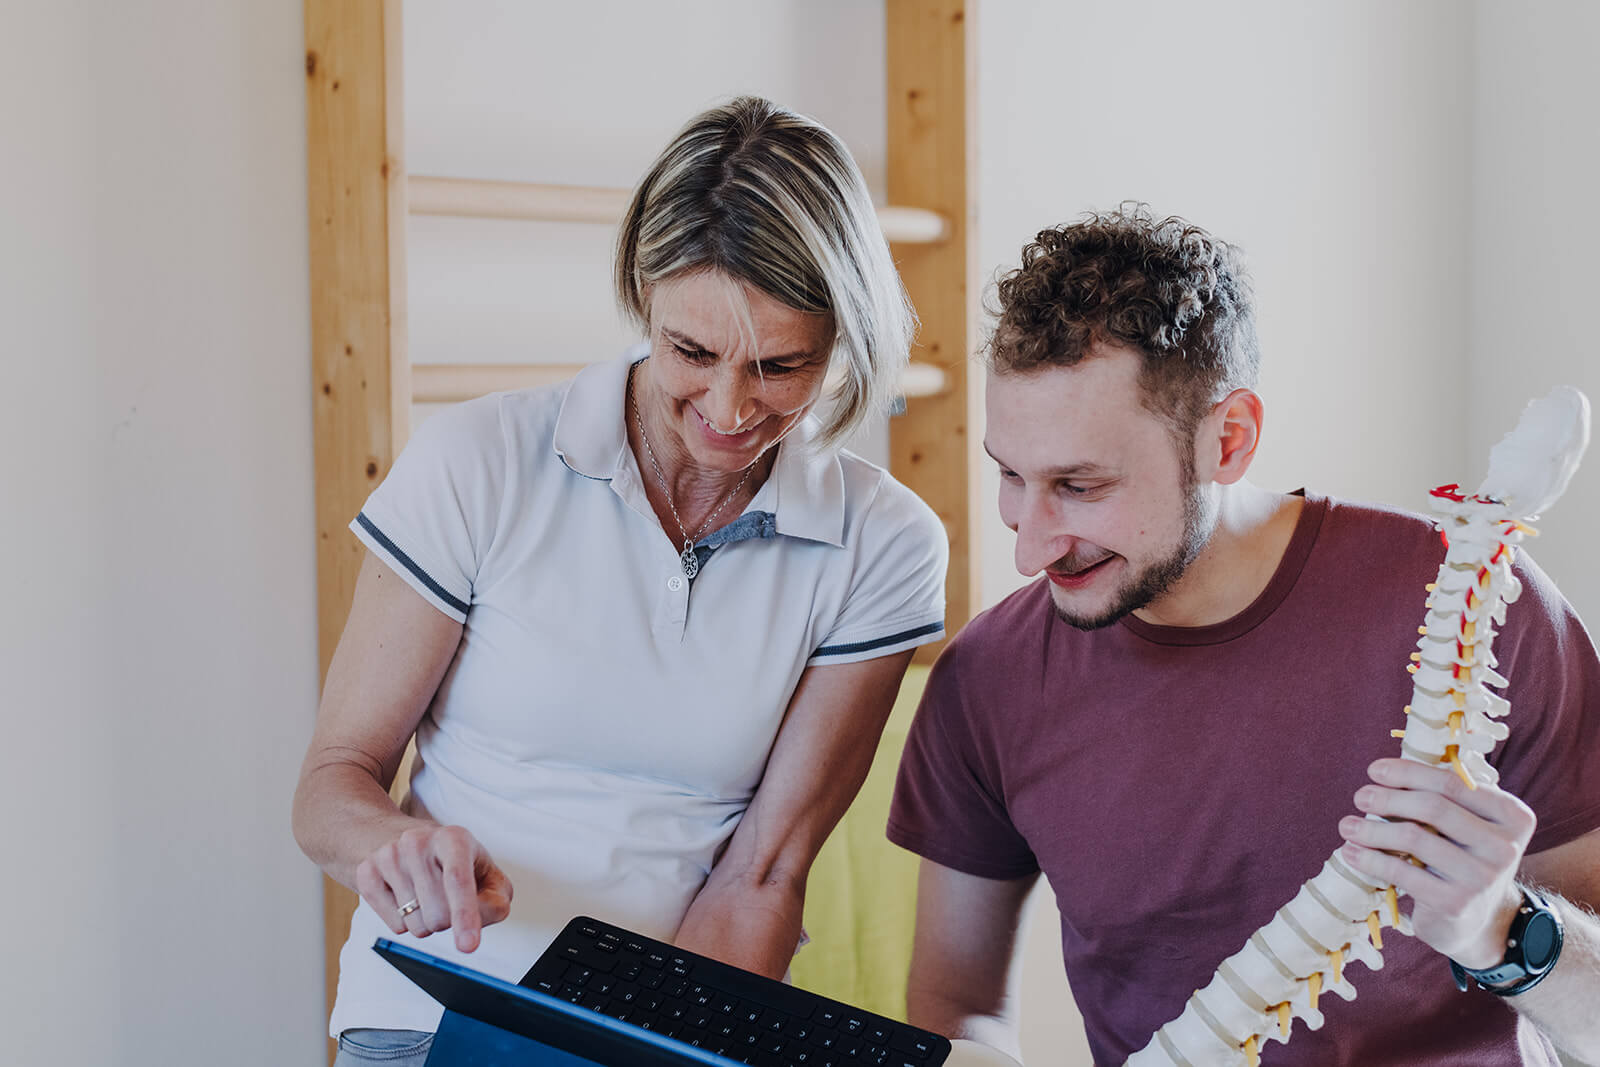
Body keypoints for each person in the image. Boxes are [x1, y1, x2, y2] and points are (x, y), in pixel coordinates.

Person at [293, 97, 949, 1065]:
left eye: (779, 365)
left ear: (839, 340)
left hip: (666, 1030)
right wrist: (386, 845)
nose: (728, 409)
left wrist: (636, 1047)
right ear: (645, 292)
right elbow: (328, 785)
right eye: (693, 351)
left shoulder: (882, 545)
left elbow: (762, 876)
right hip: (428, 1013)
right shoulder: (480, 460)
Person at [886, 205, 1600, 1065]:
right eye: (1010, 474)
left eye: (1080, 484)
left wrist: (1502, 928)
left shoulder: (1488, 607)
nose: (1028, 544)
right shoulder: (987, 680)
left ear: (1229, 438)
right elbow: (954, 1013)